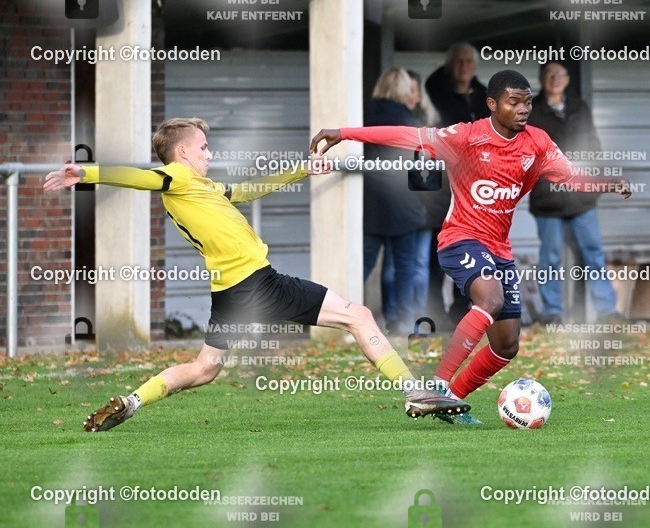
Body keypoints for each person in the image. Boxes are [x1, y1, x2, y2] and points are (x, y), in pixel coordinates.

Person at [44, 118, 467, 432]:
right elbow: (141, 177)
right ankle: (415, 391)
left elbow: (247, 191)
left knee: (205, 368)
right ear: (185, 153)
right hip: (259, 284)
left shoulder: (203, 188)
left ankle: (132, 402)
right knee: (359, 317)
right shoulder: (176, 176)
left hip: (230, 293)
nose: (209, 153)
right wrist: (87, 173)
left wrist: (302, 170)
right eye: (204, 147)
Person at [312, 70, 632, 425]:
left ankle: (450, 402)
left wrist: (607, 182)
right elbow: (407, 136)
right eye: (514, 102)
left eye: (527, 101)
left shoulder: (537, 142)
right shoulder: (466, 137)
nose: (524, 108)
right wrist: (343, 133)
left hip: (499, 249)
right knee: (490, 300)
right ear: (493, 104)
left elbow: (569, 176)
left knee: (507, 345)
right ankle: (435, 386)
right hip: (459, 239)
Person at [528, 61, 621, 324]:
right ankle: (552, 313)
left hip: (582, 198)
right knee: (550, 257)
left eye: (560, 74)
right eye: (549, 74)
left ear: (568, 80)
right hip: (548, 200)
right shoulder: (531, 111)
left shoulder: (580, 107)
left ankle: (606, 311)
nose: (555, 79)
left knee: (593, 253)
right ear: (541, 79)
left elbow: (594, 146)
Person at [362, 68, 431, 336]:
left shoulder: (361, 115)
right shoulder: (408, 122)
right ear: (404, 89)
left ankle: (344, 316)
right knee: (405, 267)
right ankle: (403, 323)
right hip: (404, 206)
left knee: (363, 264)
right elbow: (422, 171)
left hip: (369, 203)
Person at [425, 44, 490, 324]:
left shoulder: (483, 94)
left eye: (468, 61)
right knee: (436, 251)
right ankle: (434, 312)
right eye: (459, 61)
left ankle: (462, 309)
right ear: (450, 65)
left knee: (469, 250)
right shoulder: (435, 92)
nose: (464, 66)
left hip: (474, 187)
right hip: (441, 185)